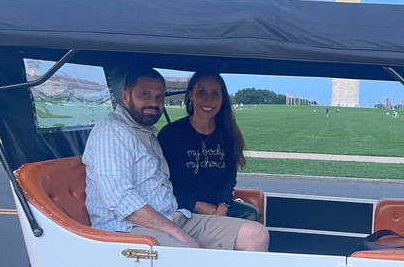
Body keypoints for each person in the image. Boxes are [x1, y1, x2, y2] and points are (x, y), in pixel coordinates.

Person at [82, 67, 269, 251]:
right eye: (145, 95)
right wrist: (177, 230)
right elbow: (121, 199)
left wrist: (221, 205)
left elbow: (225, 179)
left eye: (159, 97)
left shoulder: (147, 136)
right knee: (190, 248)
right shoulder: (112, 131)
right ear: (125, 97)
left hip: (173, 217)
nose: (153, 103)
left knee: (256, 235)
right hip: (129, 228)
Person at [158, 72, 261, 222]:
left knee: (252, 214)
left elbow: (229, 181)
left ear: (222, 100)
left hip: (217, 208)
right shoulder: (170, 134)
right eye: (201, 92)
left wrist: (223, 206)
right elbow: (162, 182)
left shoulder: (228, 135)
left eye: (215, 94)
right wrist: (196, 205)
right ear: (191, 95)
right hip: (180, 207)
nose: (208, 99)